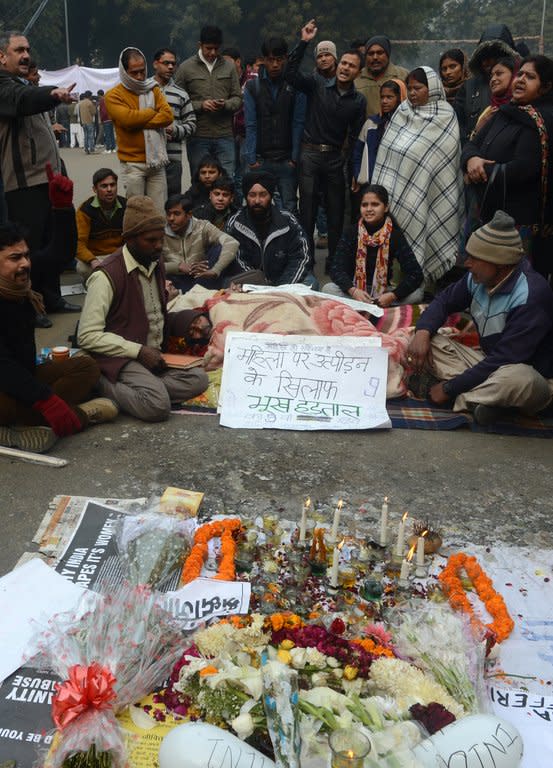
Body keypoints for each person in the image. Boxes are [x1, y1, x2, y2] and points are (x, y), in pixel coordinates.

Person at [406, 211, 553, 425]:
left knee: (519, 380)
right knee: (426, 340)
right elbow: (444, 301)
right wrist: (422, 332)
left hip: (526, 376)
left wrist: (449, 389)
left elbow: (505, 359)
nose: (467, 263)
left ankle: (459, 398)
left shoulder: (532, 295)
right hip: (488, 363)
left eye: (475, 258)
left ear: (500, 264)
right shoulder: (478, 278)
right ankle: (489, 405)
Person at [77, 196, 209, 422]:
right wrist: (138, 351)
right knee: (157, 406)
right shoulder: (106, 276)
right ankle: (100, 382)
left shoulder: (154, 263)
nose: (159, 247)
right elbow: (87, 336)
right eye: (151, 240)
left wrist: (192, 320)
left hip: (151, 355)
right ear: (129, 239)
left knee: (199, 379)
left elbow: (153, 315)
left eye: (161, 240)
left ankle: (146, 388)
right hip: (119, 358)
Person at [0, 222, 119, 453]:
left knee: (86, 366)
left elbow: (61, 253)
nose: (25, 263)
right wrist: (45, 399)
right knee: (12, 401)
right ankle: (81, 414)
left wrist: (62, 210)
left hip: (22, 375)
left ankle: (23, 423)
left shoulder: (21, 290)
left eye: (26, 255)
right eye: (15, 258)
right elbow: (2, 366)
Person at [461, 55, 553, 274]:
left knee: (512, 283)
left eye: (530, 77)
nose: (520, 80)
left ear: (546, 87)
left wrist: (482, 171)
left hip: (518, 220)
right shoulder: (506, 112)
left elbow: (524, 168)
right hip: (489, 211)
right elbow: (472, 144)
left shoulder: (541, 122)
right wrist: (472, 160)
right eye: (520, 74)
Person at [285, 20, 366, 266]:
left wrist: (352, 170)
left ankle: (334, 261)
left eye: (352, 66)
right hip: (309, 156)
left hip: (334, 159)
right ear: (337, 64)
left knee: (335, 213)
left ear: (357, 72)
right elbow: (290, 74)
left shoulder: (358, 101)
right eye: (343, 63)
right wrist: (304, 42)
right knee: (307, 212)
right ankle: (306, 259)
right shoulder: (316, 84)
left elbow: (354, 139)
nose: (345, 68)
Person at [372, 66, 462, 285]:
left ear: (431, 88)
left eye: (418, 88)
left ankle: (423, 286)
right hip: (397, 194)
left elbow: (443, 162)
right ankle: (394, 285)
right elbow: (387, 153)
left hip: (429, 195)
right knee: (396, 241)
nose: (412, 93)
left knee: (426, 234)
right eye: (410, 88)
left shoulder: (445, 115)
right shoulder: (402, 112)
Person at [0, 30, 74, 254]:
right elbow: (22, 100)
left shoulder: (23, 84)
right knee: (31, 258)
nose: (26, 56)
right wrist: (52, 93)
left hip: (45, 185)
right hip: (24, 190)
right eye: (19, 50)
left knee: (53, 256)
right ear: (2, 56)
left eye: (28, 50)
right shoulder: (5, 86)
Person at [324, 184, 423, 306]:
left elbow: (416, 274)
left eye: (375, 204)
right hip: (356, 290)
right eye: (364, 205)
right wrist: (353, 291)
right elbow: (336, 269)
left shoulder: (394, 235)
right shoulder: (351, 232)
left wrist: (393, 295)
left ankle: (370, 305)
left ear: (386, 207)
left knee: (418, 294)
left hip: (383, 292)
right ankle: (371, 305)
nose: (369, 209)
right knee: (328, 289)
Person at [105, 47, 173, 213]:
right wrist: (151, 112)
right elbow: (127, 120)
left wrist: (138, 120)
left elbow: (167, 116)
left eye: (142, 71)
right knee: (137, 215)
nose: (139, 76)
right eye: (133, 72)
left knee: (159, 216)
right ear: (123, 71)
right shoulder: (113, 96)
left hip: (157, 163)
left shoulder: (153, 88)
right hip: (132, 165)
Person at [243, 36, 306, 213]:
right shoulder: (252, 87)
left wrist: (294, 158)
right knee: (257, 207)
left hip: (286, 159)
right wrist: (252, 159)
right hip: (261, 159)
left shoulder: (295, 85)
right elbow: (251, 124)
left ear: (286, 58)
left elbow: (298, 123)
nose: (275, 65)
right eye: (271, 60)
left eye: (279, 59)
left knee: (290, 207)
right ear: (263, 60)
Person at [175, 25, 242, 179]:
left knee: (226, 180)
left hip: (225, 135)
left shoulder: (229, 67)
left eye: (216, 49)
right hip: (198, 135)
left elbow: (238, 99)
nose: (212, 53)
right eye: (209, 48)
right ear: (200, 45)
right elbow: (177, 101)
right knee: (200, 180)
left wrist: (225, 104)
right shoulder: (186, 68)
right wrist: (200, 105)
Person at [225, 171, 310, 286]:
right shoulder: (235, 223)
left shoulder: (288, 221)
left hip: (283, 283)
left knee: (311, 282)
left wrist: (283, 287)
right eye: (252, 195)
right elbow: (235, 260)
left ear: (270, 196)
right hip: (251, 285)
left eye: (263, 195)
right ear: (246, 196)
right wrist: (261, 285)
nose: (257, 201)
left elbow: (301, 257)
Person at [454, 24, 518, 143]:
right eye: (482, 57)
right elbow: (459, 127)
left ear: (505, 55)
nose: (486, 62)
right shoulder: (468, 87)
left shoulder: (521, 86)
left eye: (492, 56)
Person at [162, 193, 239, 291]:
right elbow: (150, 265)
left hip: (200, 277)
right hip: (173, 282)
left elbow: (232, 243)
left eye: (177, 214)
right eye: (168, 214)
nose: (171, 219)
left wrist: (215, 270)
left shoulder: (202, 226)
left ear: (189, 215)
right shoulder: (159, 232)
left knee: (219, 250)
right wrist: (178, 267)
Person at [153, 47, 196, 197]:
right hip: (148, 158)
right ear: (155, 64)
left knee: (173, 202)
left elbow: (191, 124)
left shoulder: (181, 94)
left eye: (173, 64)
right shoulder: (143, 91)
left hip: (173, 159)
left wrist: (174, 130)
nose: (170, 67)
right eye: (166, 63)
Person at [352, 79, 406, 187]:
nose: (384, 101)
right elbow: (358, 152)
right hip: (372, 182)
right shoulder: (371, 123)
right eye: (382, 97)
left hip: (398, 183)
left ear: (400, 99)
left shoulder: (408, 124)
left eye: (389, 97)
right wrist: (359, 175)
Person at [76, 168, 127, 281]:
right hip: (95, 257)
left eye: (112, 185)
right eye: (104, 186)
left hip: (119, 255)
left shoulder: (126, 206)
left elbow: (132, 237)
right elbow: (78, 244)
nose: (109, 190)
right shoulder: (85, 210)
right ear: (95, 189)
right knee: (82, 268)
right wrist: (93, 260)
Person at [355, 35, 408, 117]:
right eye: (371, 53)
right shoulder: (356, 78)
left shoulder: (403, 75)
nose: (375, 57)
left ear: (387, 54)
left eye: (380, 53)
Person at [470, 56, 517, 136]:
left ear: (514, 75)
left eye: (499, 74)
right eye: (491, 76)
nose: (493, 79)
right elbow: (473, 143)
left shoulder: (523, 108)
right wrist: (478, 129)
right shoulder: (489, 111)